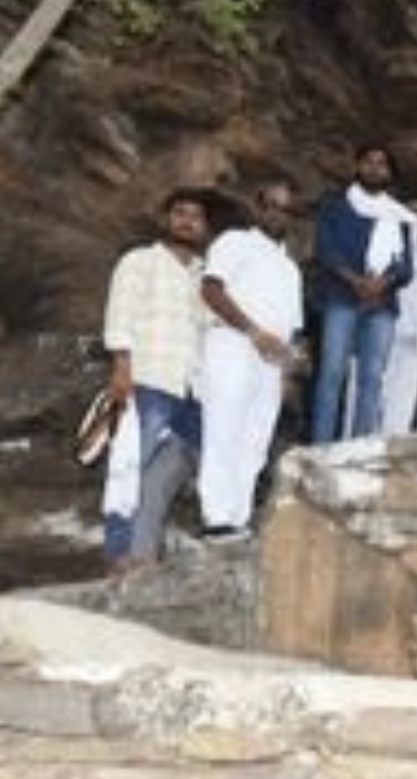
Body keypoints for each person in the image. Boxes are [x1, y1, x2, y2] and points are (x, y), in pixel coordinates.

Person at [99, 187, 211, 571]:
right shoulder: (139, 261)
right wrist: (121, 366)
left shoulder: (205, 276)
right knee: (129, 465)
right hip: (147, 379)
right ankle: (119, 554)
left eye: (195, 216)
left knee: (163, 476)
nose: (187, 221)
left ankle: (144, 554)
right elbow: (120, 313)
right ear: (165, 220)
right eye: (179, 213)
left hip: (191, 389)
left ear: (204, 227)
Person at [196, 182, 304, 538]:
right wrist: (253, 332)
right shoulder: (235, 242)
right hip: (233, 344)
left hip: (272, 361)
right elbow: (211, 290)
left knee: (256, 438)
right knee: (224, 430)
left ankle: (238, 518)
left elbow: (293, 327)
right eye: (271, 205)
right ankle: (216, 518)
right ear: (257, 207)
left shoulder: (290, 267)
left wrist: (288, 371)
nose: (278, 213)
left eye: (286, 209)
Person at [309, 144, 417, 443]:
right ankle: (320, 445)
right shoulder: (336, 205)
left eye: (382, 163)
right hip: (340, 298)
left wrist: (382, 283)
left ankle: (359, 447)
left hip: (382, 304)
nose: (374, 168)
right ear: (357, 167)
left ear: (390, 172)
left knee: (372, 379)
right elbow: (324, 250)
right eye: (368, 162)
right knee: (332, 374)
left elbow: (406, 266)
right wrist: (356, 281)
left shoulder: (399, 216)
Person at [379, 198, 417, 436]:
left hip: (415, 337)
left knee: (405, 398)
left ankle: (394, 444)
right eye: (411, 213)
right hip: (383, 329)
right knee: (375, 393)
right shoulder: (383, 245)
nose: (416, 220)